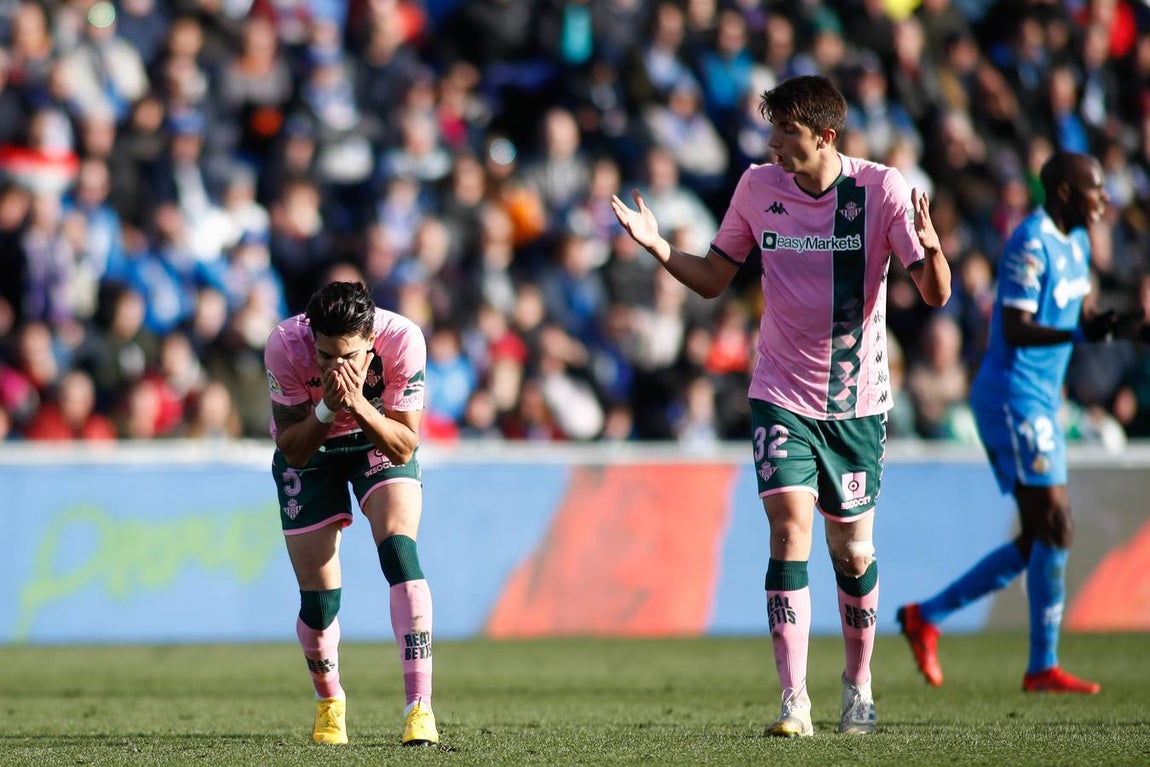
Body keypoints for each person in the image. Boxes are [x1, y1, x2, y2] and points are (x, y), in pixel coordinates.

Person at [612, 74, 950, 737]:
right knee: (789, 526)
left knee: (852, 551)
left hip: (856, 404)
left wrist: (932, 244)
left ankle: (858, 685)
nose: (771, 143)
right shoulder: (756, 187)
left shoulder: (879, 189)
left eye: (785, 131)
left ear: (824, 136)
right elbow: (714, 277)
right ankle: (795, 700)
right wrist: (657, 247)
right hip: (779, 393)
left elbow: (934, 294)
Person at [896, 152, 1120, 695]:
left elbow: (1081, 317)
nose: (1105, 200)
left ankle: (928, 616)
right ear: (1064, 192)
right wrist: (1082, 335)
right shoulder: (1030, 241)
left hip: (1042, 401)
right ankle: (1038, 663)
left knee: (1041, 536)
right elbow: (1018, 330)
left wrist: (1125, 325)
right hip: (1012, 398)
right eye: (1095, 190)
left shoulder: (1078, 243)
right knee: (1054, 527)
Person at [263, 280, 438, 746]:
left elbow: (404, 444)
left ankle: (419, 707)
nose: (336, 366)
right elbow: (293, 451)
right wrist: (326, 409)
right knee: (320, 604)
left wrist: (358, 404)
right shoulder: (285, 344)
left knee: (400, 553)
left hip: (375, 435)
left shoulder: (403, 339)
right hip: (313, 445)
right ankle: (329, 701)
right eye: (325, 356)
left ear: (371, 340)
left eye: (350, 357)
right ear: (311, 339)